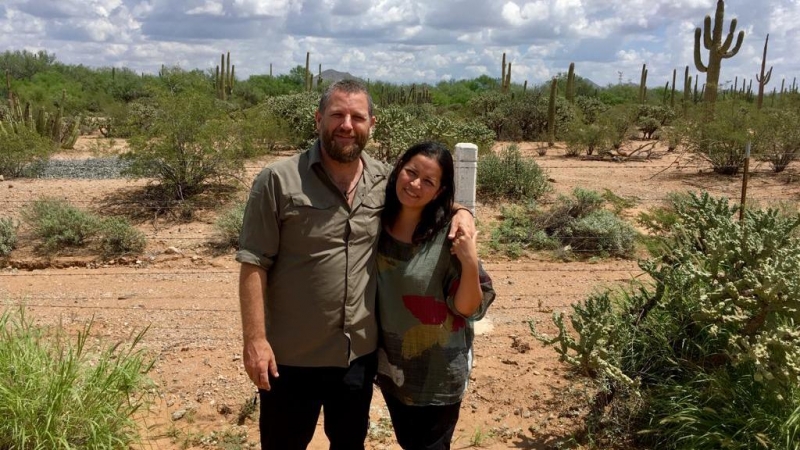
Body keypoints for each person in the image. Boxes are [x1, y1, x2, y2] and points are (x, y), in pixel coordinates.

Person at [236, 79, 475, 450]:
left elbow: (429, 196)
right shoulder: (278, 180)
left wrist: (464, 213)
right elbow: (253, 264)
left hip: (356, 357)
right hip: (290, 356)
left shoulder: (386, 181)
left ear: (371, 124)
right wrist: (255, 341)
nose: (347, 125)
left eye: (357, 117)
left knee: (349, 444)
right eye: (337, 115)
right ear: (318, 119)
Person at [375, 141, 495, 450]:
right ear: (398, 168)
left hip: (438, 376)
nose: (415, 184)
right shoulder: (375, 221)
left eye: (428, 181)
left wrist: (469, 261)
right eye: (411, 172)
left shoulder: (449, 235)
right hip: (393, 370)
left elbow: (468, 308)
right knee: (408, 442)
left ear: (441, 190)